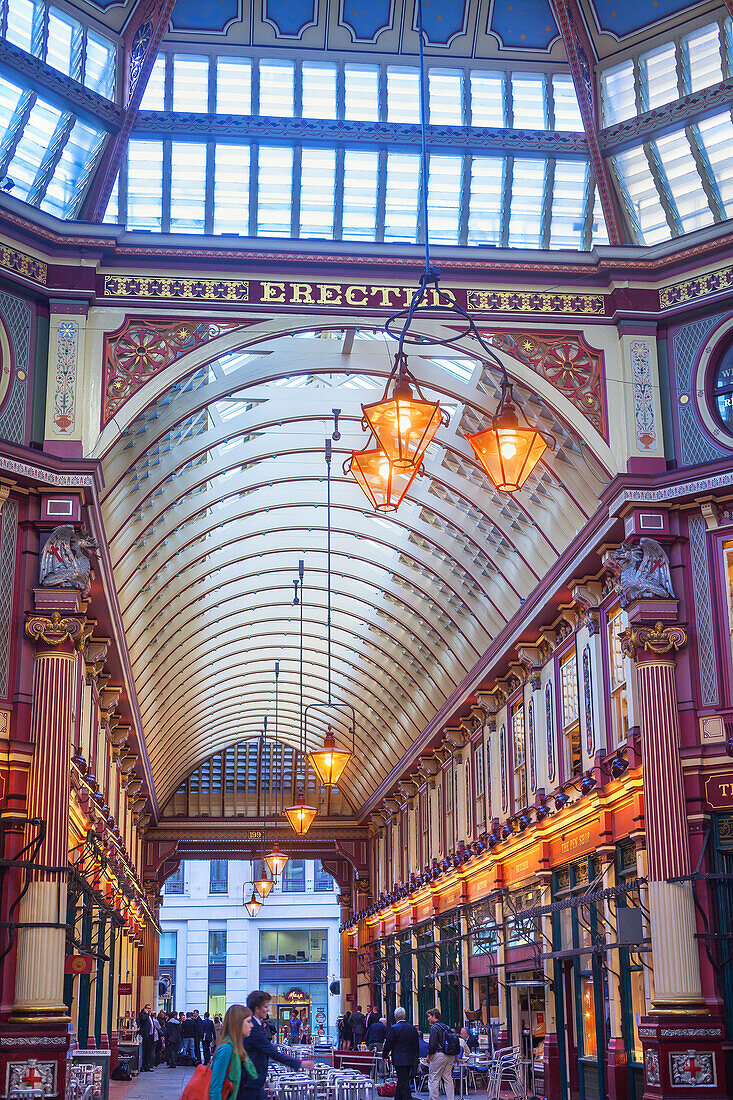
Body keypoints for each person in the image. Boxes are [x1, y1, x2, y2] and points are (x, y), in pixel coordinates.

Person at [239, 990, 314, 1100]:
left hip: (253, 1082)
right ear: (257, 1009)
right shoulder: (254, 1028)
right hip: (250, 1083)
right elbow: (273, 1053)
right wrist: (300, 1064)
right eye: (265, 1007)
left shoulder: (255, 1025)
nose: (268, 1010)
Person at [209, 1003, 255, 1100]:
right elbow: (215, 1088)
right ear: (237, 1023)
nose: (252, 1025)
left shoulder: (238, 1048)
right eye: (248, 1021)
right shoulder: (226, 1049)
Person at [382, 1008, 420, 1100]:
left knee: (403, 1081)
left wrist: (384, 1055)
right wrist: (416, 1057)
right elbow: (416, 1045)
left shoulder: (394, 1028)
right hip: (410, 1058)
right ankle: (398, 1098)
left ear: (395, 1017)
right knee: (402, 1079)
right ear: (404, 1016)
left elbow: (388, 1044)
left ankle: (407, 1098)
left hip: (399, 1059)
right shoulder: (412, 1029)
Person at [426, 1009, 455, 1100]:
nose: (428, 1018)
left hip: (439, 1055)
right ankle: (451, 1098)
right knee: (448, 1079)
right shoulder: (446, 1027)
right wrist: (456, 1056)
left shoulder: (434, 1028)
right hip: (450, 1055)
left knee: (434, 1079)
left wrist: (429, 1056)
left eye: (429, 1016)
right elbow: (453, 1042)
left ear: (434, 1016)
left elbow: (432, 1044)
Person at [136, 1003, 156, 1072]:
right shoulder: (142, 1015)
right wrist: (146, 1013)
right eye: (147, 1008)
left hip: (150, 1036)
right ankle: (143, 1066)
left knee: (149, 1052)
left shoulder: (150, 1016)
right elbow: (143, 1019)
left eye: (150, 1008)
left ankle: (148, 1066)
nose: (149, 1010)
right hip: (145, 1036)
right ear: (144, 1009)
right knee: (145, 1052)